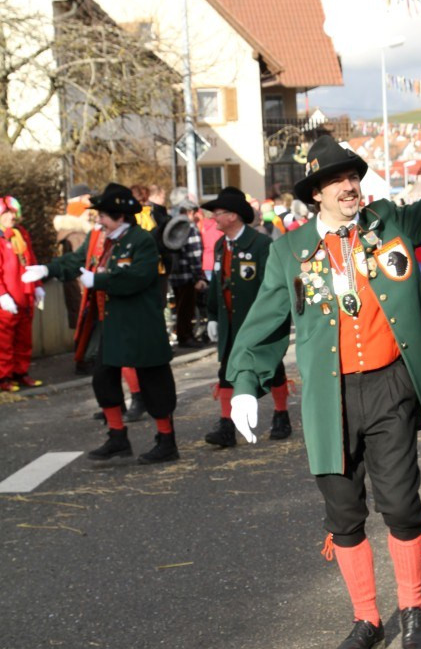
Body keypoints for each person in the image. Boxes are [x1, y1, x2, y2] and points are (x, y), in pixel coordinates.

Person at [225, 75, 421, 649]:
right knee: (343, 513)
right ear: (315, 193)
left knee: (402, 506)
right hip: (328, 399)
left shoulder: (388, 222)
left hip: (390, 386)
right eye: (336, 181)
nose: (349, 187)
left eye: (353, 177)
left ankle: (412, 609)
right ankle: (367, 618)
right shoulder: (289, 251)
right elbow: (263, 322)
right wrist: (243, 382)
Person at [22, 183, 179, 465]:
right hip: (114, 322)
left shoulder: (141, 240)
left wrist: (101, 280)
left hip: (141, 323)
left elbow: (140, 276)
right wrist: (48, 269)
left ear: (119, 216)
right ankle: (117, 437)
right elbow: (76, 260)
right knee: (103, 377)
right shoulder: (100, 238)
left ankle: (166, 440)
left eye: (103, 215)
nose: (98, 220)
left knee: (154, 380)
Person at [204, 187, 291, 448]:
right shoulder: (221, 245)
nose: (214, 219)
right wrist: (211, 316)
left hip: (256, 321)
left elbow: (272, 285)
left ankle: (281, 414)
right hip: (229, 322)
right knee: (226, 370)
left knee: (272, 368)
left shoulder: (261, 244)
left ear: (233, 216)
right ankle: (227, 425)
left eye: (217, 213)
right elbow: (217, 285)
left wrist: (269, 321)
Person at [0, 196, 44, 391]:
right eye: (6, 213)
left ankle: (20, 373)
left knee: (24, 338)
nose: (12, 217)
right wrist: (1, 294)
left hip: (25, 294)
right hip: (7, 298)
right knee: (4, 340)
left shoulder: (21, 234)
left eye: (13, 212)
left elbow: (31, 260)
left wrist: (38, 285)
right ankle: (3, 377)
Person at [52, 183, 95, 342]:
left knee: (84, 324)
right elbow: (81, 262)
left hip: (80, 285)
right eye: (88, 199)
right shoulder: (76, 234)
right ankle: (85, 361)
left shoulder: (76, 232)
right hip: (80, 287)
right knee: (84, 324)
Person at [168, 197, 207, 348]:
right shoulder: (189, 227)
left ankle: (183, 335)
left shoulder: (174, 225)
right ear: (190, 212)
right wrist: (199, 277)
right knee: (187, 308)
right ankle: (186, 337)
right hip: (188, 275)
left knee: (179, 307)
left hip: (176, 273)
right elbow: (194, 253)